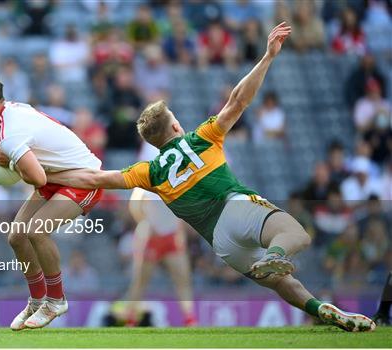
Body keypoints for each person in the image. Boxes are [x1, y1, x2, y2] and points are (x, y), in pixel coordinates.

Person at [45, 22, 376, 332]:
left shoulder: (149, 172)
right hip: (235, 208)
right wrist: (267, 57)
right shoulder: (201, 138)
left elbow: (94, 179)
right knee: (296, 235)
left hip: (221, 243)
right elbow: (238, 100)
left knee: (280, 283)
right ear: (175, 126)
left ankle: (319, 309)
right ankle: (276, 254)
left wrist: (45, 170)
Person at [0, 72, 103, 330]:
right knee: (17, 236)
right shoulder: (11, 113)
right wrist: (7, 163)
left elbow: (37, 177)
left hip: (84, 178)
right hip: (58, 177)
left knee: (37, 230)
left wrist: (10, 162)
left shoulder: (9, 133)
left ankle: (55, 300)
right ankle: (37, 301)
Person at [123, 142, 196, 327]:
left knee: (182, 279)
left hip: (169, 234)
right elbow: (135, 206)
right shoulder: (147, 179)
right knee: (140, 281)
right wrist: (146, 224)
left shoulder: (175, 180)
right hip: (153, 235)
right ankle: (130, 317)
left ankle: (190, 318)